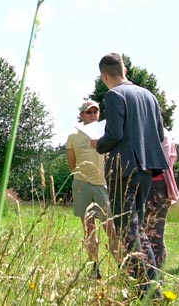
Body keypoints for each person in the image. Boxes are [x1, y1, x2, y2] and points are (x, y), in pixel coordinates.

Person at [90, 53, 169, 296]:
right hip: (147, 170)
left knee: (128, 230)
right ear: (124, 70)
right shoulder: (149, 96)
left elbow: (114, 134)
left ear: (104, 76)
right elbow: (161, 135)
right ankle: (153, 287)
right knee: (139, 229)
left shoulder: (114, 95)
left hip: (123, 170)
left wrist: (98, 144)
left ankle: (148, 292)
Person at [66, 99, 119, 279]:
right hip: (82, 184)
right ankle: (95, 268)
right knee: (89, 229)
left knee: (111, 228)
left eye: (96, 112)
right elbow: (72, 164)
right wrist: (84, 178)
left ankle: (122, 266)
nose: (93, 115)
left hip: (103, 185)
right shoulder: (73, 135)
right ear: (82, 115)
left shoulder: (107, 132)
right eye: (89, 112)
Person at [145, 127, 179, 271]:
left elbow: (159, 164)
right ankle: (151, 273)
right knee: (148, 232)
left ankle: (156, 275)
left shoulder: (161, 134)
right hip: (157, 185)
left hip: (156, 185)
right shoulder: (161, 133)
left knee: (155, 233)